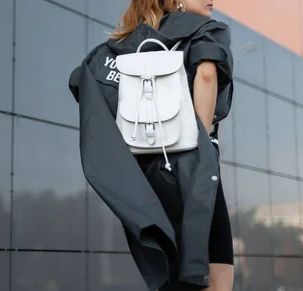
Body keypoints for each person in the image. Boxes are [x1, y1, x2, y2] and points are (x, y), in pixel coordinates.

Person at [68, 0, 234, 290]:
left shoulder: (120, 47)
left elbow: (86, 84)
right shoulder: (207, 31)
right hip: (193, 173)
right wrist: (200, 143)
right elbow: (206, 75)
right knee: (216, 275)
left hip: (147, 177)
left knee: (170, 271)